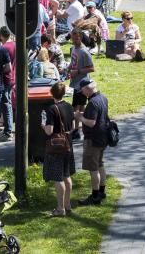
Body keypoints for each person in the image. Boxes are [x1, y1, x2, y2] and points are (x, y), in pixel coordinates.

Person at [41, 81, 76, 217]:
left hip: (56, 147)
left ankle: (60, 208)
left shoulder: (51, 109)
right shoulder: (69, 106)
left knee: (58, 178)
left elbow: (49, 131)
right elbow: (73, 126)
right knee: (67, 175)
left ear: (52, 93)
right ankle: (68, 204)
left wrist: (43, 125)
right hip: (68, 143)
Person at [74, 79, 109, 206]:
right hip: (103, 137)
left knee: (93, 168)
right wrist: (84, 114)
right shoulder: (102, 98)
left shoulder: (92, 103)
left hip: (93, 140)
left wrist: (80, 117)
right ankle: (102, 191)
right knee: (100, 164)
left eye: (82, 90)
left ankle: (95, 196)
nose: (82, 93)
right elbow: (98, 116)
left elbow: (91, 122)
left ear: (87, 89)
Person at [68, 29, 94, 140]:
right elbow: (73, 62)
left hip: (82, 84)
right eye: (73, 38)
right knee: (77, 107)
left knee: (77, 107)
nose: (74, 40)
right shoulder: (73, 48)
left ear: (81, 37)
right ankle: (77, 129)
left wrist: (77, 72)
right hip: (75, 82)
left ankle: (77, 130)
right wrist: (68, 68)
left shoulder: (84, 52)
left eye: (76, 38)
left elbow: (92, 68)